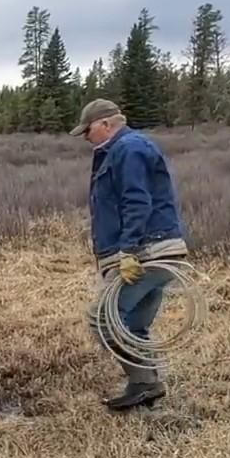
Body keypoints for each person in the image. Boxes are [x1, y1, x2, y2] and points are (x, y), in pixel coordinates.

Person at [70, 98, 189, 410]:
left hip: (149, 251)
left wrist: (128, 251)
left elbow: (137, 201)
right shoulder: (121, 149)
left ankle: (142, 383)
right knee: (133, 323)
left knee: (103, 318)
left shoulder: (128, 149)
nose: (85, 137)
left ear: (106, 124)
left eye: (88, 130)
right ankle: (147, 386)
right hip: (153, 250)